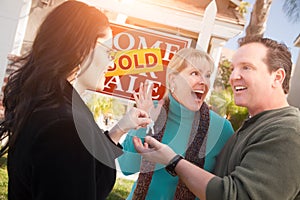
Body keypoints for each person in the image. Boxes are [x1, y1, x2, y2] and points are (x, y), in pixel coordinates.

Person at [0, 1, 151, 200]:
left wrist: (119, 129)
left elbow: (86, 172)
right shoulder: (64, 127)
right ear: (81, 49)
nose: (112, 62)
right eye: (109, 52)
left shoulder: (48, 102)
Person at [133, 37, 300, 200]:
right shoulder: (251, 128)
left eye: (246, 67)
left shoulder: (289, 131)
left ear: (277, 77)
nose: (233, 77)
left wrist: (173, 161)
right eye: (233, 68)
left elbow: (238, 195)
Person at [118, 48, 234, 200]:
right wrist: (143, 123)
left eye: (207, 75)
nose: (203, 82)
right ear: (173, 80)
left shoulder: (222, 129)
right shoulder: (151, 109)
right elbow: (126, 167)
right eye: (195, 73)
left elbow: (223, 190)